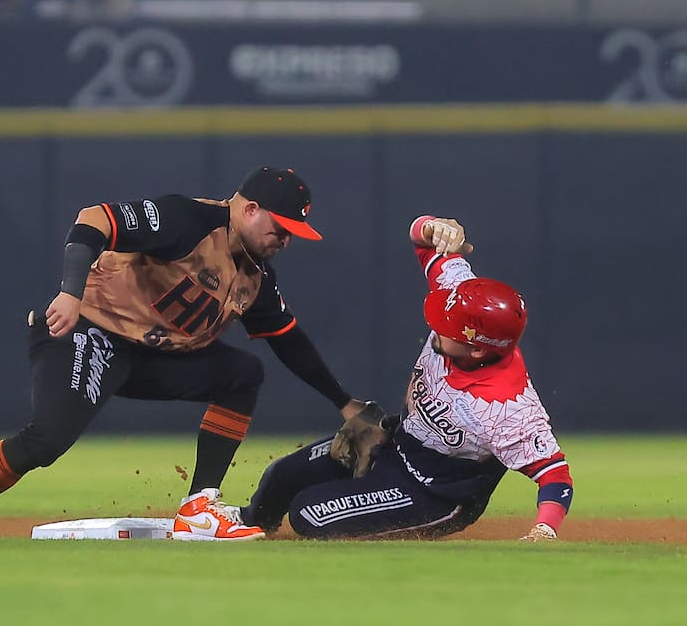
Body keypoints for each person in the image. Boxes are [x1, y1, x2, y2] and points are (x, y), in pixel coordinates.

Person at [0, 167, 369, 541]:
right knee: (47, 440)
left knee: (242, 372)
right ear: (249, 209)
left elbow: (288, 341)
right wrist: (69, 292)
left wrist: (345, 404)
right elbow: (93, 219)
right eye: (281, 227)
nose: (285, 240)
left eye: (293, 232)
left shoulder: (255, 276)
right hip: (89, 331)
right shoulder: (188, 221)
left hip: (151, 358)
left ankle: (199, 505)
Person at [238, 215, 574, 541]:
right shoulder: (461, 295)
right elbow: (421, 239)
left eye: (449, 326)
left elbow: (555, 475)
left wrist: (544, 529)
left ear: (477, 350)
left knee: (309, 514)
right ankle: (246, 529)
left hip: (432, 494)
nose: (438, 322)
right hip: (395, 447)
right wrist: (434, 228)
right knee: (280, 477)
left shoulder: (508, 407)